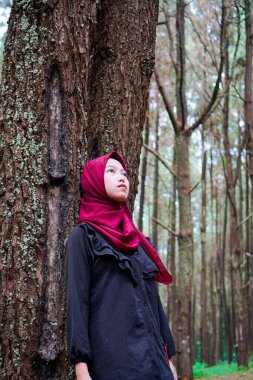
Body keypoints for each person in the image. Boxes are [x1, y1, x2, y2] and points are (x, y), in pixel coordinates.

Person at [65, 151, 177, 380]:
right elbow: (77, 303)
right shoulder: (83, 237)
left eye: (124, 173)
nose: (122, 177)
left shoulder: (139, 241)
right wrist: (81, 366)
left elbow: (155, 305)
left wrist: (169, 359)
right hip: (115, 366)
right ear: (94, 180)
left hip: (155, 365)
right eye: (111, 171)